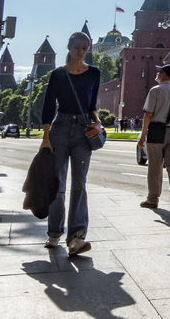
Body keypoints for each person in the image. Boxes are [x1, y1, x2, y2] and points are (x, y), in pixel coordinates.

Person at [40, 31, 102, 256]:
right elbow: (48, 106)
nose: (82, 51)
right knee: (58, 184)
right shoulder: (58, 74)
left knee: (79, 184)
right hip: (60, 128)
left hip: (84, 131)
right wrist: (46, 138)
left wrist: (98, 122)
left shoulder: (94, 73)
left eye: (85, 47)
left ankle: (76, 238)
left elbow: (92, 104)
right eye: (77, 47)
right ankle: (54, 233)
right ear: (69, 47)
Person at [138, 65, 170, 212]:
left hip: (157, 130)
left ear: (164, 75)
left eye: (160, 72)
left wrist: (143, 135)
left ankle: (152, 199)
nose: (157, 74)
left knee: (155, 167)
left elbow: (148, 114)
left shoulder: (155, 90)